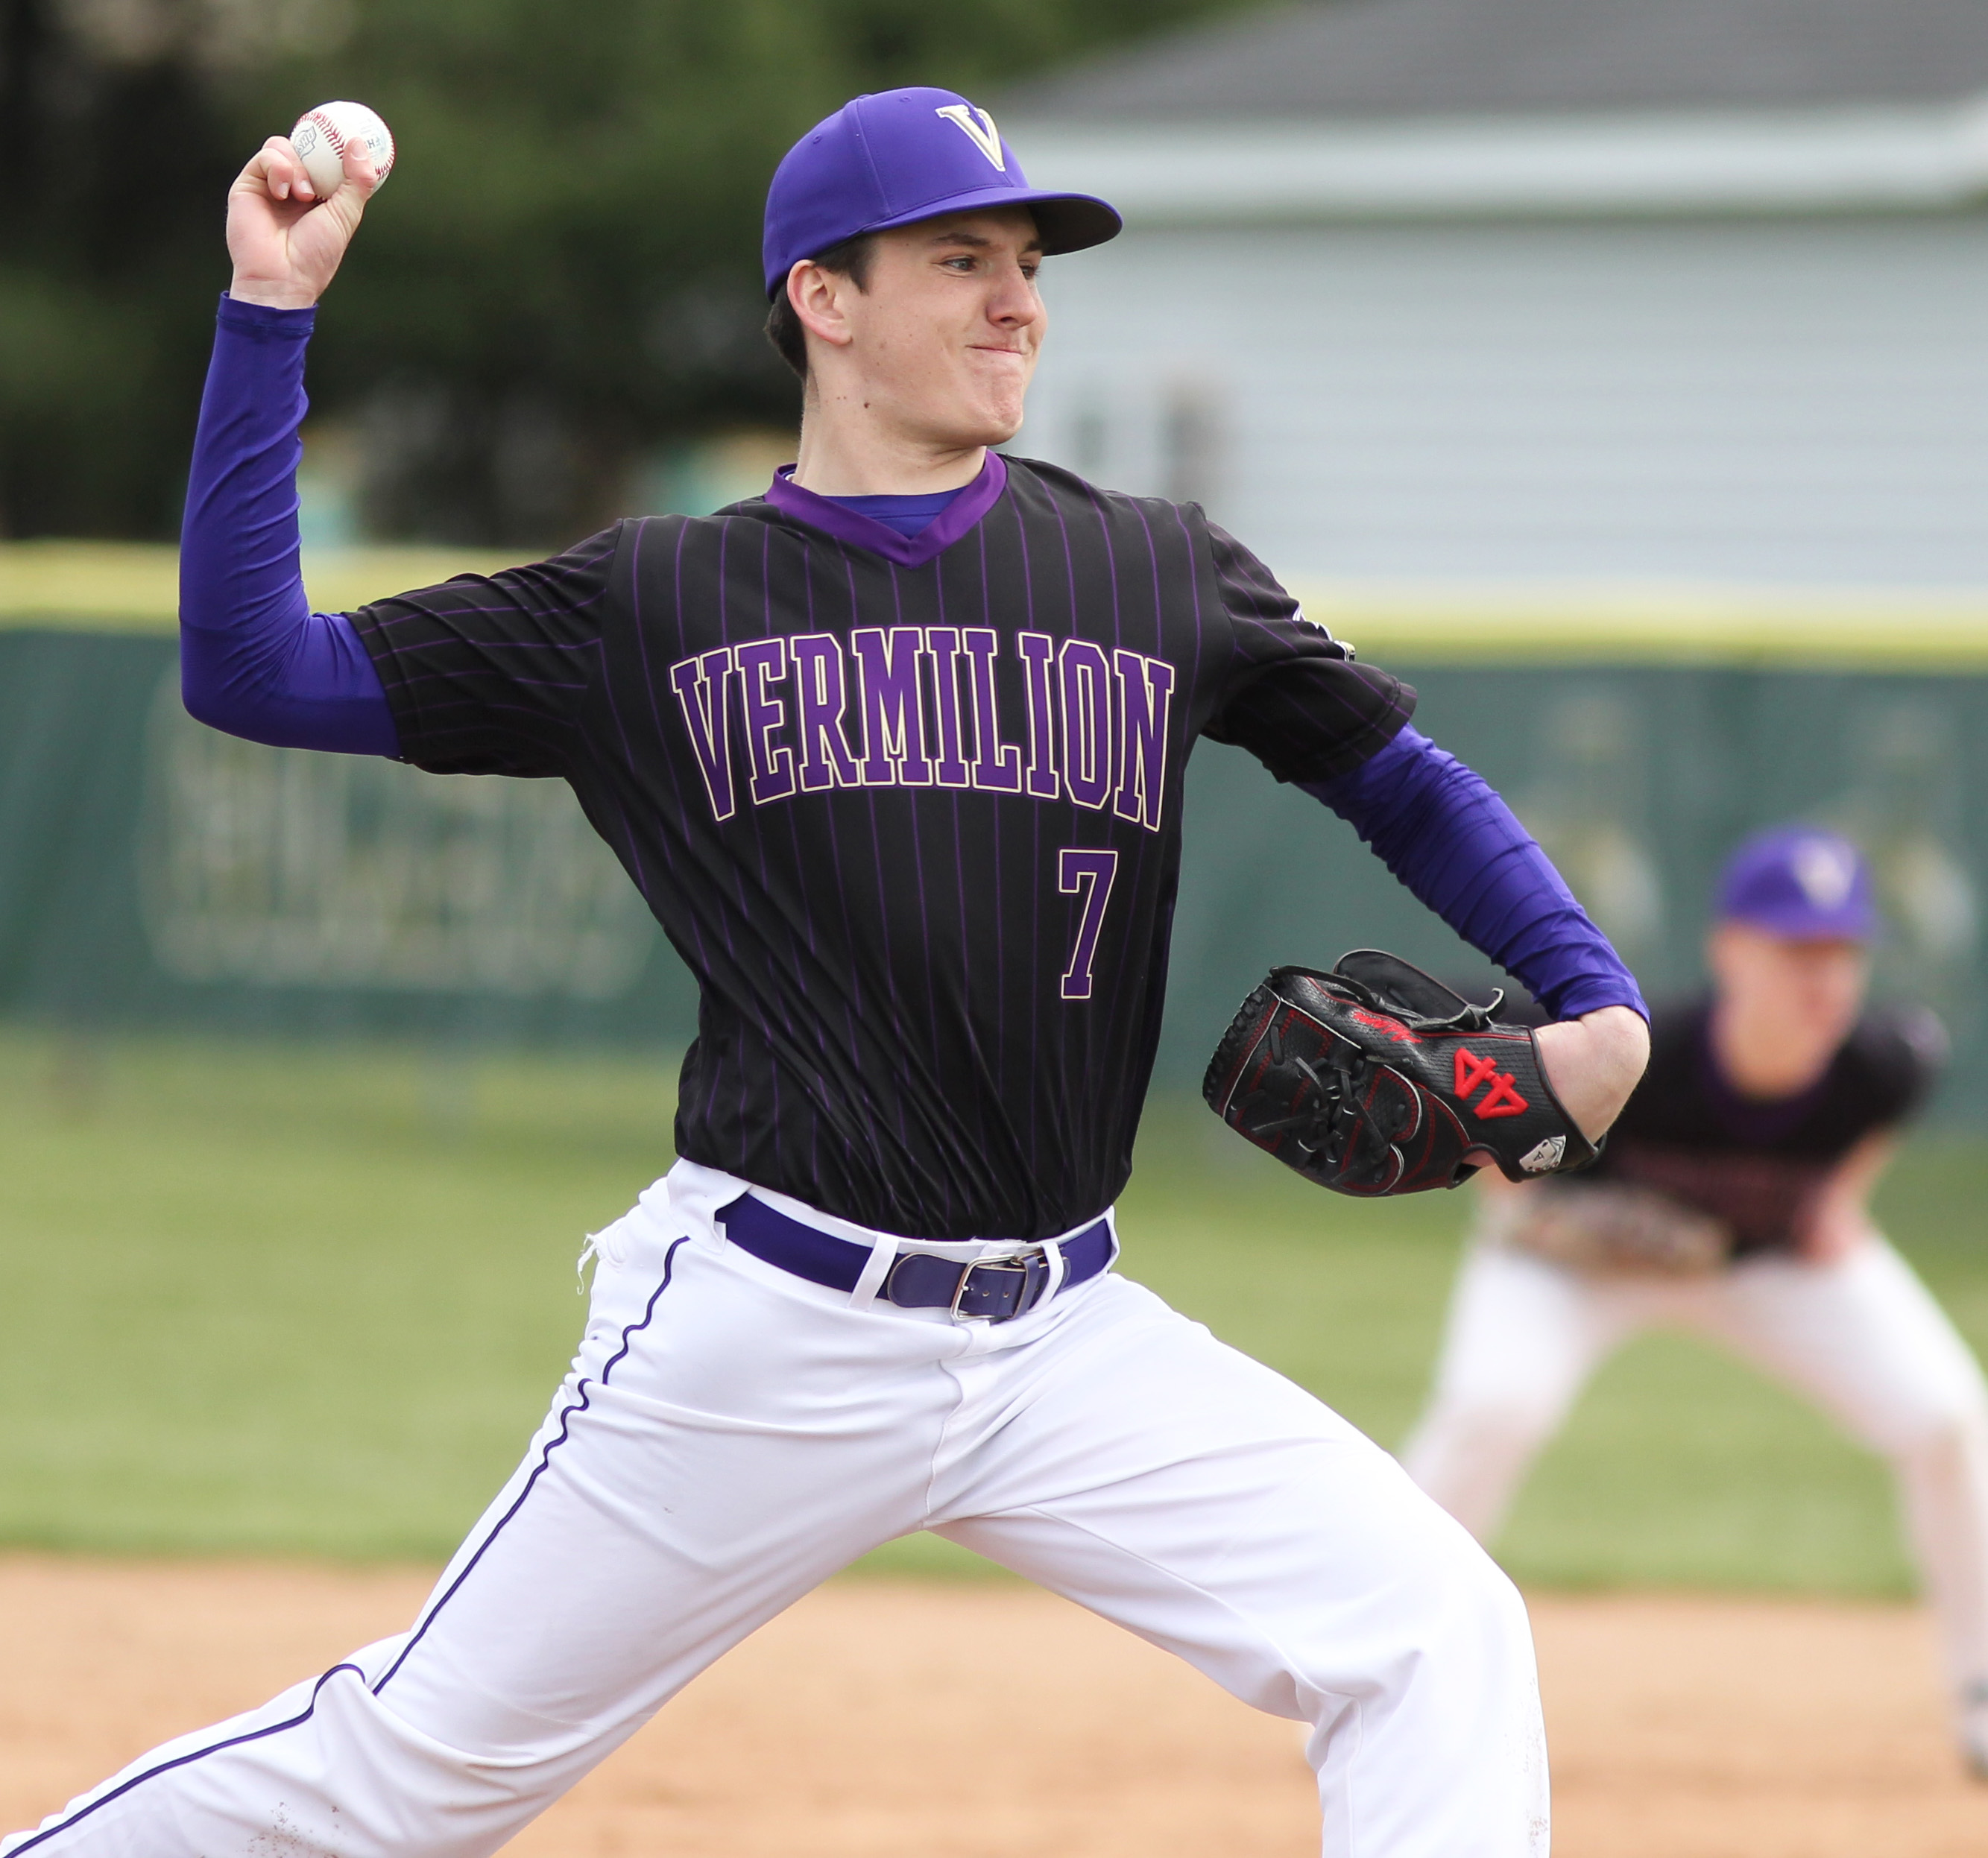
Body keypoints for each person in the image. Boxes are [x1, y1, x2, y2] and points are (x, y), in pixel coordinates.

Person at [4, 89, 1649, 1858]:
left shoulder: (1151, 569)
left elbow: (1395, 772)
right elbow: (253, 670)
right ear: (824, 297)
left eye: (1030, 263)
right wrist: (272, 313)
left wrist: (1590, 992)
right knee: (413, 1780)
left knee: (1434, 1630)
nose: (1021, 301)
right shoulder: (646, 608)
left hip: (1065, 1335)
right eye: (965, 260)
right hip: (769, 1332)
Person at [1401, 825, 1988, 1777]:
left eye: (1842, 953)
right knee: (1492, 1405)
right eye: (1796, 950)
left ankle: (1982, 1691)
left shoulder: (1885, 1064)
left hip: (1759, 1268)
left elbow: (1843, 1186)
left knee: (1945, 1414)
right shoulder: (1645, 1055)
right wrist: (1567, 1220)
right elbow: (1510, 1185)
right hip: (1575, 1270)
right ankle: (1375, 1673)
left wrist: (1833, 1212)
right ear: (1730, 954)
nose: (1824, 979)